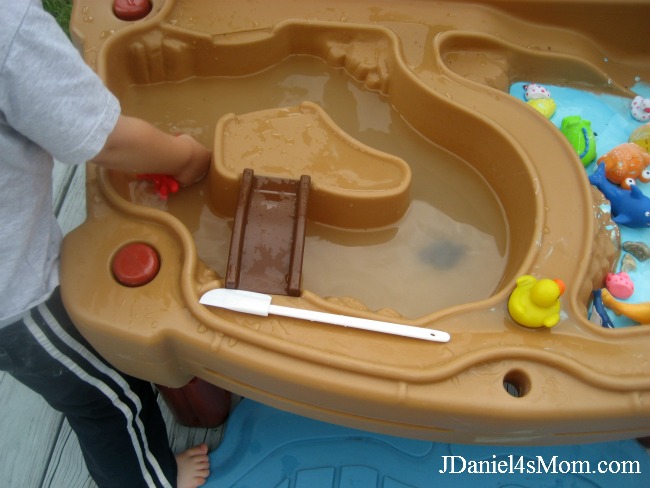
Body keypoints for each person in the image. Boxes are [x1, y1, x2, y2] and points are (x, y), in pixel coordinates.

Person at [1, 1, 212, 487]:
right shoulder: (7, 28)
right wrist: (184, 158)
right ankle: (150, 479)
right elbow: (106, 141)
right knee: (111, 397)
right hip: (17, 304)